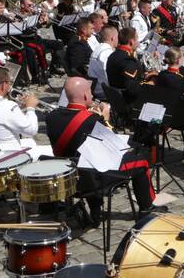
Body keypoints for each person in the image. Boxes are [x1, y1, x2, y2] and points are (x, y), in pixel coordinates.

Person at [45, 77, 158, 221]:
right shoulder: (92, 120)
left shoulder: (51, 117)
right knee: (142, 163)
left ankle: (96, 210)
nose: (92, 96)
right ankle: (146, 209)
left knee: (86, 158)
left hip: (67, 176)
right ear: (86, 95)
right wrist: (105, 119)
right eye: (90, 93)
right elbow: (114, 145)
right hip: (92, 179)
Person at [0, 66, 53, 155]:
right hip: (7, 157)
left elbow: (0, 116)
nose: (9, 86)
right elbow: (31, 130)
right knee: (53, 151)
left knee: (31, 142)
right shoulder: (7, 107)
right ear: (3, 85)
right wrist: (30, 108)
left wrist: (21, 107)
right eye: (9, 83)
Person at [106, 27, 146, 102]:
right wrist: (149, 83)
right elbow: (132, 90)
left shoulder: (113, 55)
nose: (138, 42)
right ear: (131, 42)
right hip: (128, 102)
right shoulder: (127, 61)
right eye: (137, 40)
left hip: (118, 98)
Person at [89, 25, 118, 98]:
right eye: (117, 37)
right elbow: (109, 75)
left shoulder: (99, 47)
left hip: (98, 86)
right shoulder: (106, 53)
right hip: (102, 91)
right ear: (113, 38)